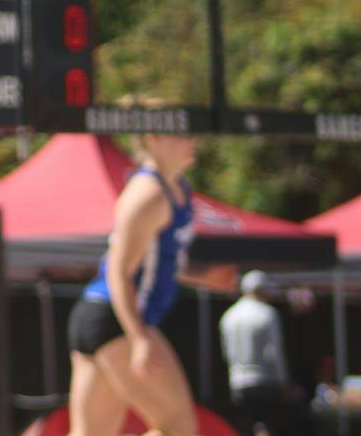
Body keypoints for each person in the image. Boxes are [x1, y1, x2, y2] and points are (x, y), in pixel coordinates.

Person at [66, 132, 224, 436]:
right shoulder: (148, 194)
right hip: (116, 319)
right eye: (181, 135)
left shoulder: (178, 188)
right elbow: (118, 271)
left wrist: (203, 277)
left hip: (100, 316)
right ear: (152, 139)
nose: (193, 141)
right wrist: (138, 336)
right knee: (177, 427)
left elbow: (156, 262)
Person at [220, 270, 293, 436]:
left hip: (237, 381)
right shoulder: (267, 314)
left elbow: (227, 354)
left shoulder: (229, 316)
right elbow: (274, 353)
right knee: (265, 426)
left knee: (244, 427)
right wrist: (283, 382)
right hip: (265, 381)